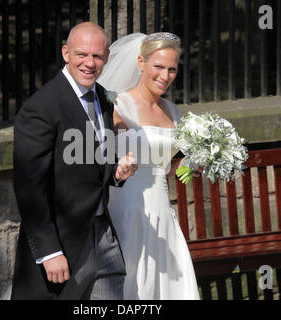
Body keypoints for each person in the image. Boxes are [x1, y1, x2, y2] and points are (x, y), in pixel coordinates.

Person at [11, 22, 137, 300]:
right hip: (63, 242)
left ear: (105, 58)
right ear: (66, 53)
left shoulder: (102, 97)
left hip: (104, 233)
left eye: (97, 56)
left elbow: (93, 161)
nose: (89, 63)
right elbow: (30, 186)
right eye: (82, 54)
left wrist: (116, 172)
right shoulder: (40, 108)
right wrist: (49, 251)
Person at [98, 32, 200, 300]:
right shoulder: (119, 105)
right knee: (133, 281)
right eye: (158, 67)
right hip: (128, 206)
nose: (165, 76)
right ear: (141, 62)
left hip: (162, 209)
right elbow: (95, 155)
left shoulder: (172, 111)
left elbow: (166, 166)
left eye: (172, 69)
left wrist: (193, 163)